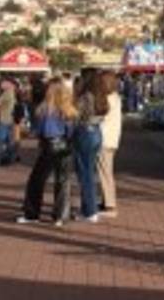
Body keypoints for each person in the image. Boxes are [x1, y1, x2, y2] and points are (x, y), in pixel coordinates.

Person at [19, 77, 78, 226]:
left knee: (36, 181)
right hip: (65, 145)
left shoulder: (44, 109)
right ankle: (60, 216)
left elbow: (39, 131)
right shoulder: (69, 109)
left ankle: (32, 214)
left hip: (49, 146)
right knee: (63, 181)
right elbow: (71, 131)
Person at [73, 72, 108, 223]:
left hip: (85, 132)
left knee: (84, 174)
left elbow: (76, 115)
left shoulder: (85, 96)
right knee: (90, 172)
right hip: (97, 131)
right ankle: (89, 208)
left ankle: (89, 211)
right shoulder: (101, 96)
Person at [98, 71, 123, 217]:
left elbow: (101, 118)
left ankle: (109, 204)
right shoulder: (115, 97)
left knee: (105, 172)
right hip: (112, 139)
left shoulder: (107, 99)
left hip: (105, 139)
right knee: (106, 171)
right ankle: (106, 201)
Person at [0, 79, 19, 165]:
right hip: (10, 119)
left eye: (3, 83)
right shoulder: (13, 93)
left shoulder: (7, 93)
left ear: (9, 84)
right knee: (8, 140)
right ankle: (10, 157)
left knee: (0, 140)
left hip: (3, 119)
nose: (1, 84)